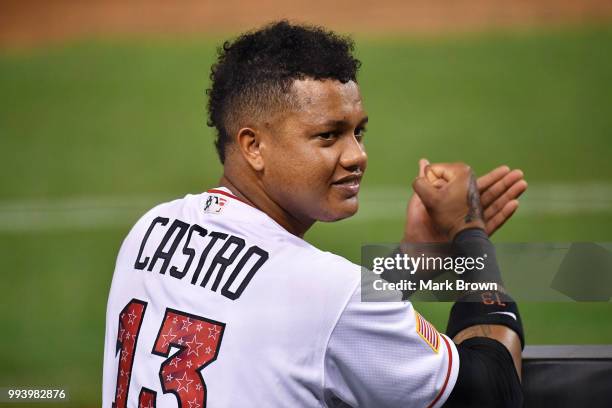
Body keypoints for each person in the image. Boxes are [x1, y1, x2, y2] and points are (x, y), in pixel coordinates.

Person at [102, 21, 527, 407]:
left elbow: (299, 324)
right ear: (253, 146)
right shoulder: (329, 291)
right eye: (328, 136)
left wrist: (411, 261)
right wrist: (469, 230)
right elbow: (492, 392)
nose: (357, 155)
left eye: (358, 132)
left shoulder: (150, 232)